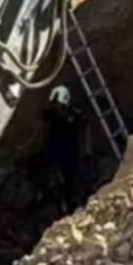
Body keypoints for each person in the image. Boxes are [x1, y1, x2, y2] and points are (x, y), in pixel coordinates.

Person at [39, 85, 90, 214]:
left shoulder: (74, 116)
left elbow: (84, 128)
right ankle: (62, 208)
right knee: (58, 185)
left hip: (71, 155)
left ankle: (74, 206)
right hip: (55, 154)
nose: (56, 107)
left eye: (59, 104)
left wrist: (87, 151)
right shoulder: (51, 116)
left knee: (72, 183)